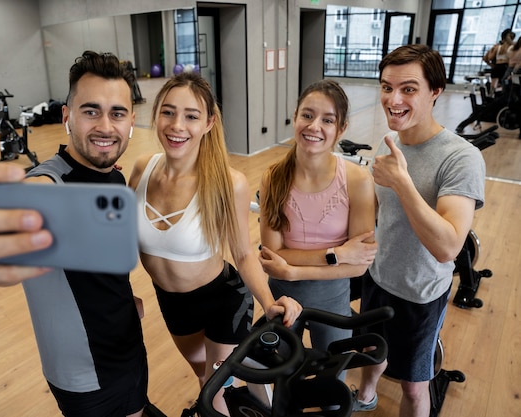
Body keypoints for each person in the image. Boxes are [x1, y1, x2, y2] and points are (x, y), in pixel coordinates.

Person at [0, 51, 147, 417]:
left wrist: (124, 302)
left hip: (129, 349)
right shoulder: (48, 182)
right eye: (90, 110)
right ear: (67, 116)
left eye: (117, 113)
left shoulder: (113, 178)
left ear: (131, 121)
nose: (105, 126)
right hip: (82, 374)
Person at [128, 72, 302, 414]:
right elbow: (122, 243)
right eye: (168, 112)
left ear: (208, 123)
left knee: (214, 392)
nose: (177, 125)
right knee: (203, 378)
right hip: (172, 303)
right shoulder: (140, 170)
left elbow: (242, 253)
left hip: (223, 301)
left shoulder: (228, 183)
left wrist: (267, 302)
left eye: (191, 116)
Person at [352, 45, 485, 417]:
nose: (393, 99)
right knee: (370, 351)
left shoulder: (461, 158)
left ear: (435, 92)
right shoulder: (389, 142)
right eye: (386, 87)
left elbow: (448, 247)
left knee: (414, 385)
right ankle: (365, 395)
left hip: (421, 294)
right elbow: (377, 213)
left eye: (408, 89)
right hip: (378, 277)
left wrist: (402, 182)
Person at [256, 80, 377, 358]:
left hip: (333, 301)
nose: (314, 127)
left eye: (327, 120)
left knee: (332, 386)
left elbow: (358, 267)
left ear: (341, 128)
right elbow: (273, 255)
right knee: (279, 379)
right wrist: (337, 254)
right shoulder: (273, 177)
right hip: (282, 299)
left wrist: (293, 270)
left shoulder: (358, 180)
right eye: (307, 115)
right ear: (295, 116)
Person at [483, 29, 515, 95]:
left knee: (493, 86)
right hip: (505, 67)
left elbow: (488, 58)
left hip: (497, 67)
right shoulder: (511, 47)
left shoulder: (497, 47)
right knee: (505, 85)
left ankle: (490, 97)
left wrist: (492, 65)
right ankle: (502, 98)